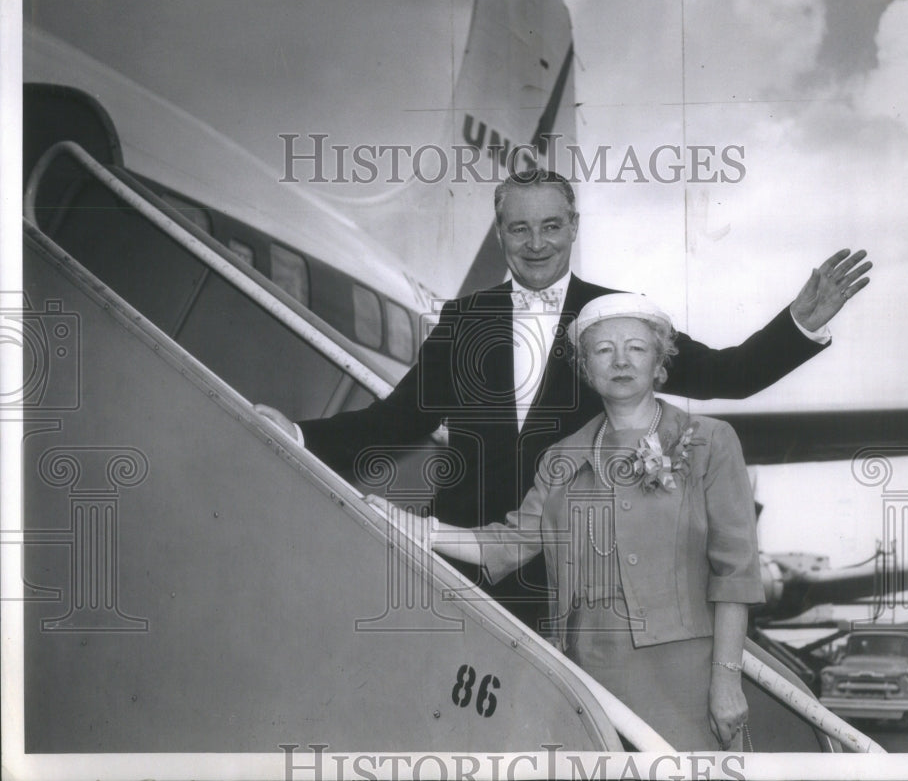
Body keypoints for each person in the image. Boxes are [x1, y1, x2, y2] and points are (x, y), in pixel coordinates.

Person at [257, 169, 871, 630]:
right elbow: (395, 421)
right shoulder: (466, 317)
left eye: (551, 226)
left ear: (573, 228)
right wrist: (302, 434)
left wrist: (797, 325)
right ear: (500, 234)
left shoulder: (616, 316)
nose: (536, 243)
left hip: (583, 571)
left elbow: (725, 374)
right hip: (468, 561)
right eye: (519, 228)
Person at [375, 293, 763, 750]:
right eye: (603, 350)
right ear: (586, 369)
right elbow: (511, 543)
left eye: (636, 348)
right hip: (586, 679)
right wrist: (418, 528)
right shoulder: (559, 458)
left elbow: (735, 573)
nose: (620, 360)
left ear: (660, 364)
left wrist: (726, 679)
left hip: (685, 681)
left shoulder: (711, 442)